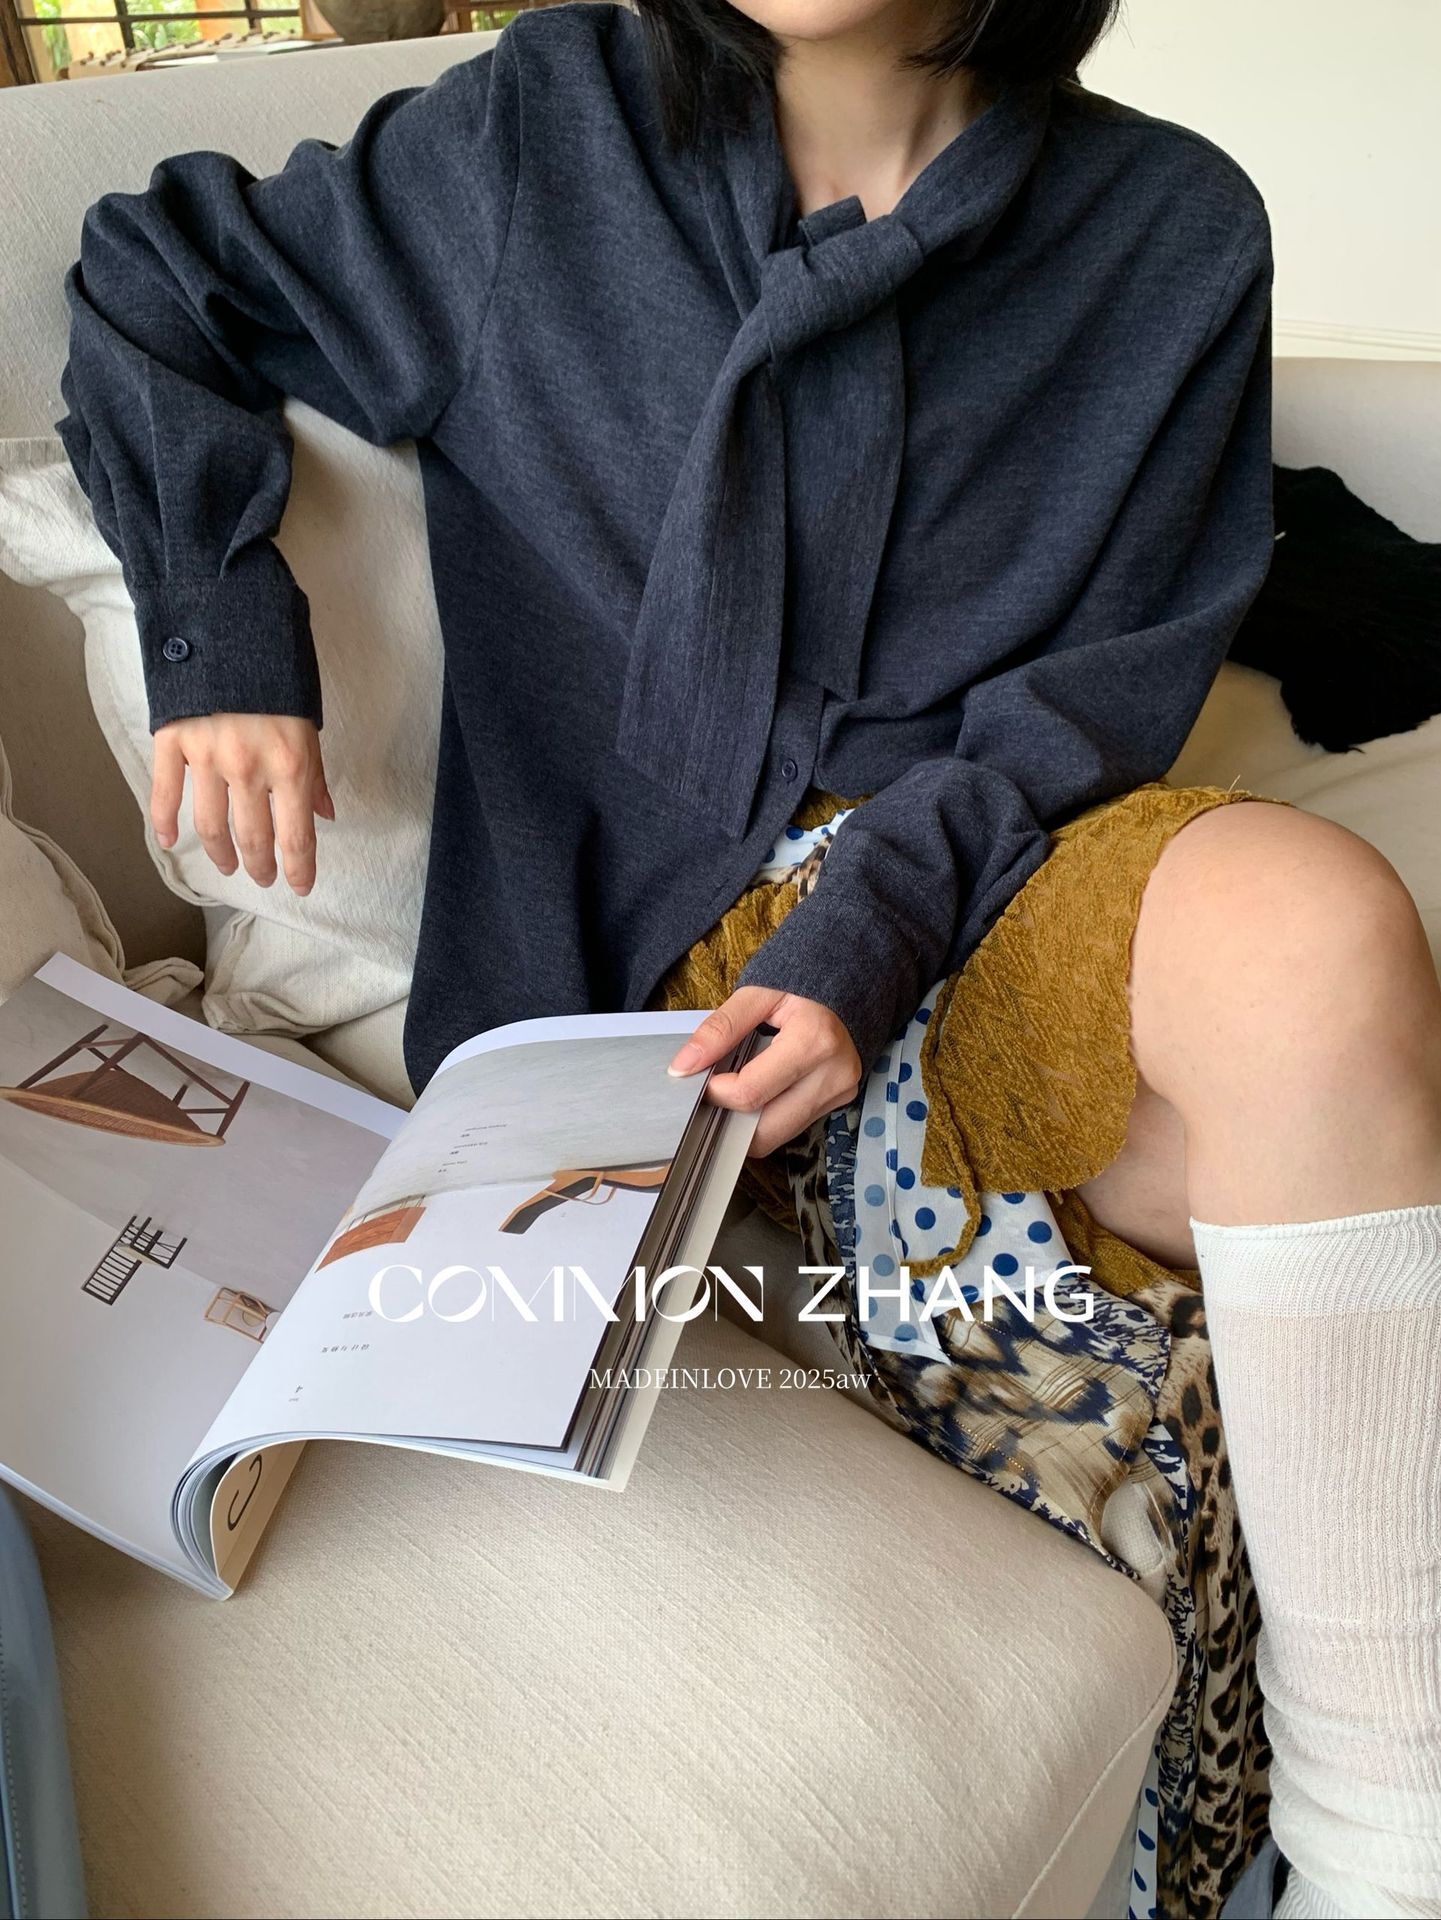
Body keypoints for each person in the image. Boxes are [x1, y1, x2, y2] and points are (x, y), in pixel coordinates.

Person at [56, 2, 1441, 1913]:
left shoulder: (1170, 226)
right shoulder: (540, 135)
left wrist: (873, 931)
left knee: (1312, 945)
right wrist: (222, 642)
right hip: (641, 964)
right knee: (1322, 1155)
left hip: (972, 870)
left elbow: (1091, 695)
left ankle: (1383, 1853)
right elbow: (156, 269)